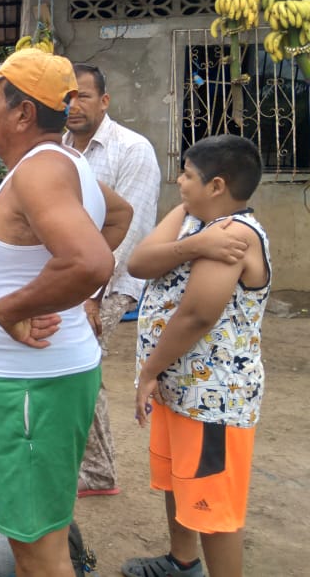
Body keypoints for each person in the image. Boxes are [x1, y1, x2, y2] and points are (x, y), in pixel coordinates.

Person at [0, 48, 133, 577]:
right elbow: (117, 217)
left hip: (30, 387)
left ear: (24, 113)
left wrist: (10, 307)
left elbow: (90, 260)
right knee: (33, 537)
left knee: (39, 553)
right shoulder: (62, 164)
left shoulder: (42, 171)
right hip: (28, 383)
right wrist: (57, 290)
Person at [122, 134, 269, 577]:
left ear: (216, 185)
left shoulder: (235, 234)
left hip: (213, 400)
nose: (180, 182)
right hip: (181, 391)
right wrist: (193, 246)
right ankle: (181, 562)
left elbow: (197, 315)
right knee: (180, 481)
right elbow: (139, 263)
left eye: (187, 175)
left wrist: (149, 372)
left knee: (213, 508)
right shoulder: (192, 219)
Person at [63, 62, 161, 497]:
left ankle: (98, 472)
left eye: (83, 96)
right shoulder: (62, 149)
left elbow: (129, 234)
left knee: (78, 367)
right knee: (80, 369)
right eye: (67, 97)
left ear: (104, 101)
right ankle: (95, 468)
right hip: (71, 278)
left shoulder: (132, 150)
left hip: (110, 283)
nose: (73, 105)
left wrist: (91, 296)